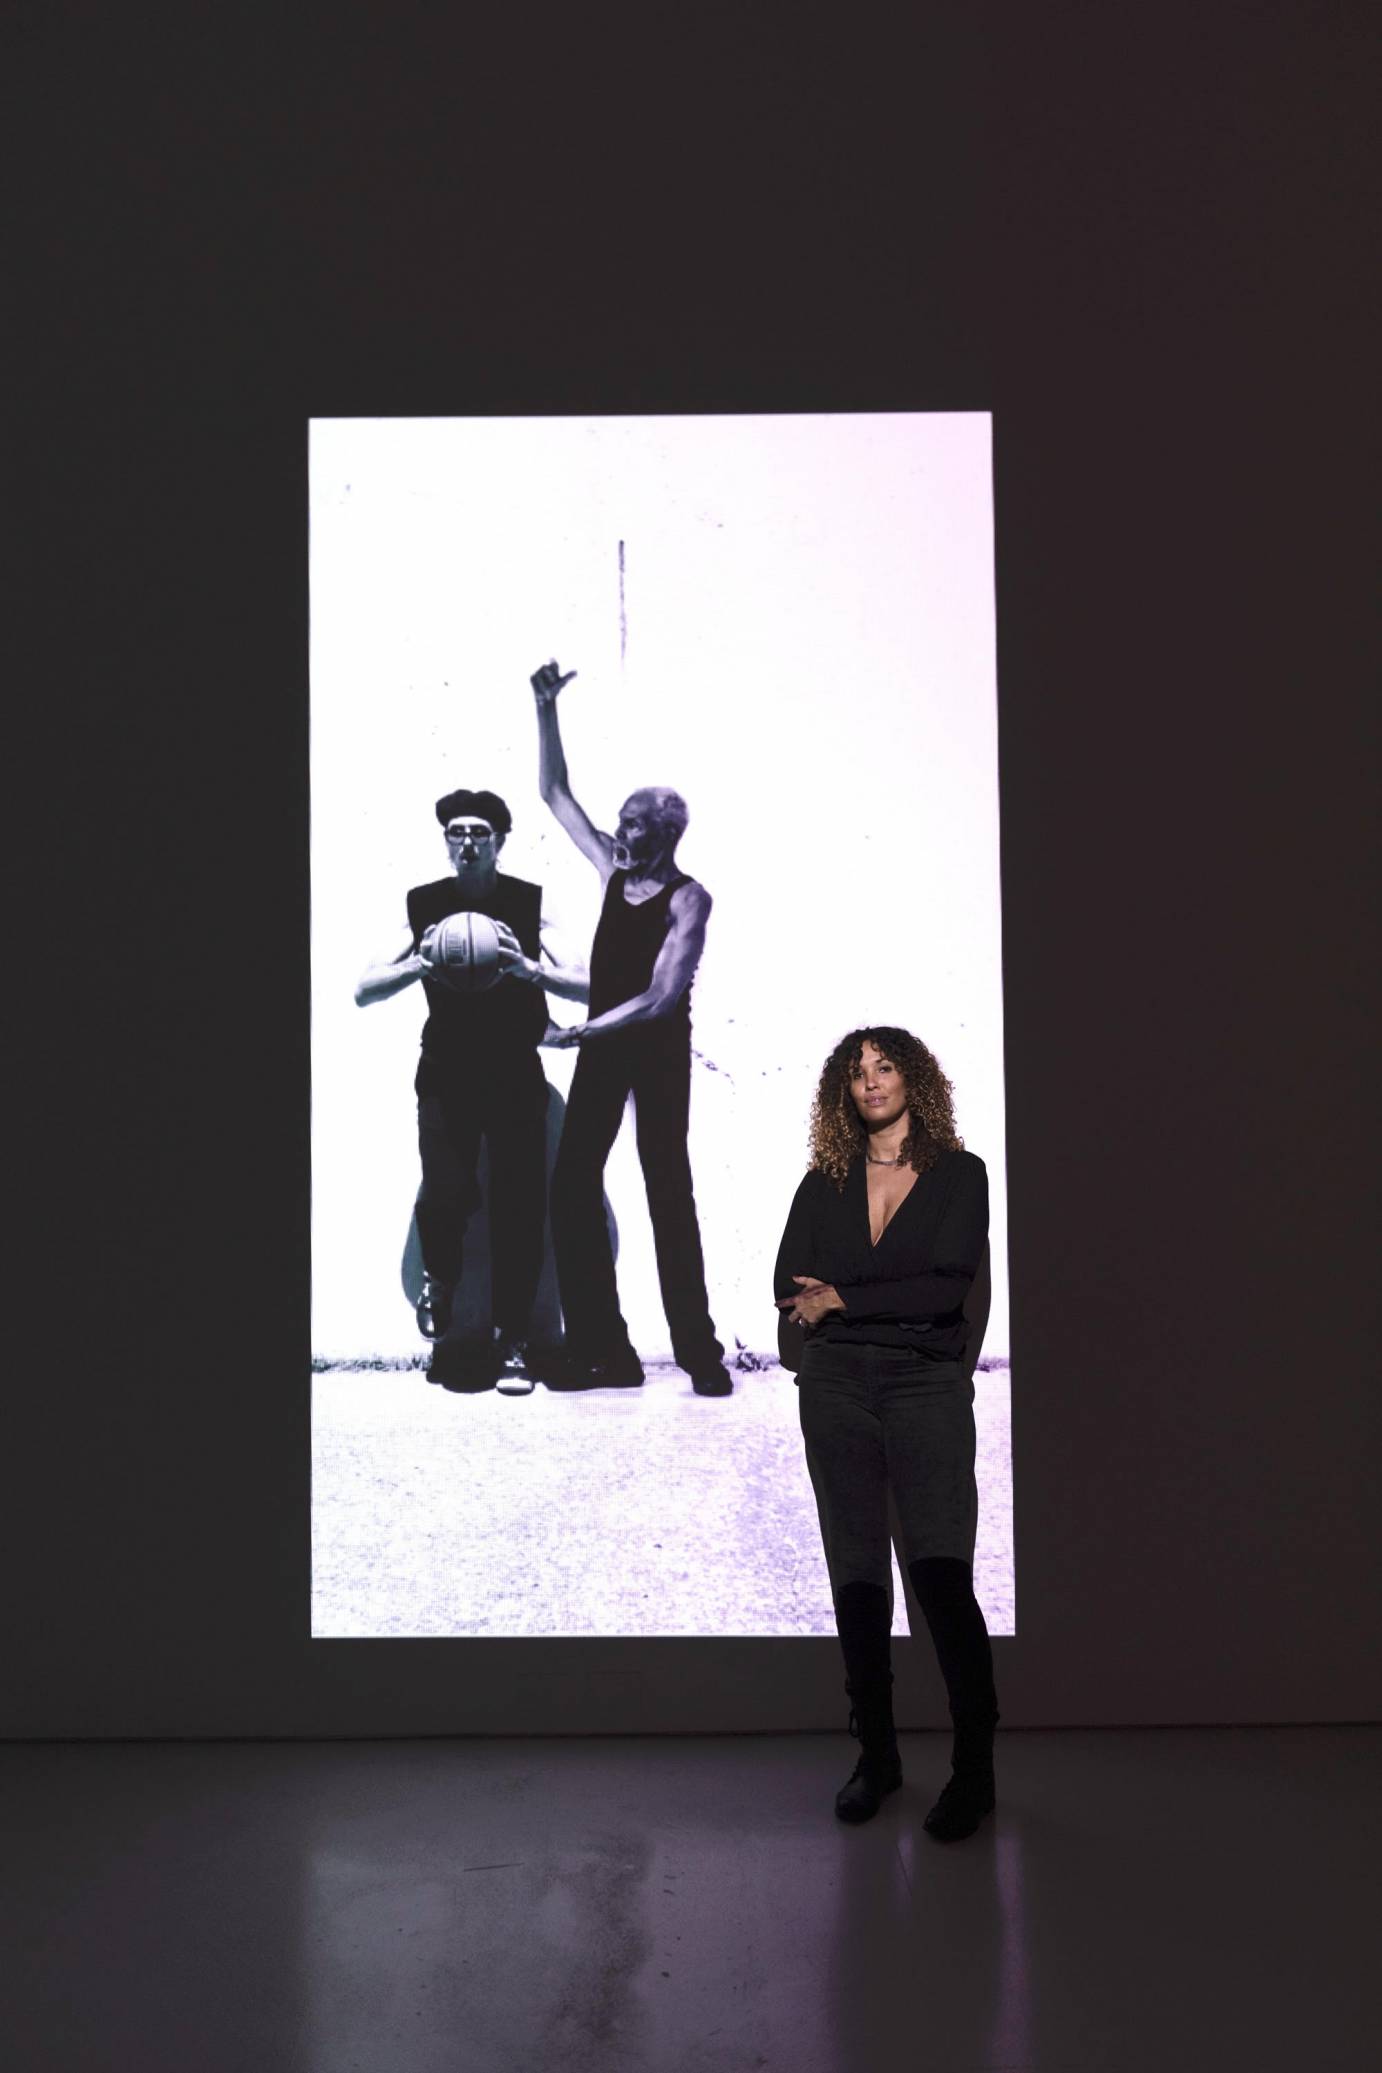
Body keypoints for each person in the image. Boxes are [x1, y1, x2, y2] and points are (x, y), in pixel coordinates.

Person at [774, 1027, 999, 1839]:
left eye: (886, 1065)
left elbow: (945, 1286)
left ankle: (975, 1770)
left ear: (915, 1078)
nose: (871, 1081)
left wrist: (843, 1297)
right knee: (859, 1579)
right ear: (843, 1090)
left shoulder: (960, 1174)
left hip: (924, 1381)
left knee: (940, 1577)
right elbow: (784, 1282)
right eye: (856, 1071)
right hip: (834, 1385)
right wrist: (870, 1297)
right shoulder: (823, 1179)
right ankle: (878, 1757)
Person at [532, 658, 733, 1396]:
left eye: (636, 823)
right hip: (605, 1049)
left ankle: (700, 1353)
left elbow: (657, 998)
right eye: (620, 819)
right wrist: (545, 708)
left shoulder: (689, 900)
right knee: (571, 1185)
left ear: (667, 833)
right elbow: (554, 794)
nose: (619, 830)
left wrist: (580, 1033)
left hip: (653, 1051)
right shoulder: (613, 871)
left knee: (665, 1186)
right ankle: (604, 1351)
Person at [354, 788, 589, 1394]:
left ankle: (512, 1344)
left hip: (513, 1073)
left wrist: (532, 970)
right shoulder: (425, 905)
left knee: (518, 1208)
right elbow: (364, 987)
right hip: (446, 1073)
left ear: (500, 842)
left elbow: (590, 985)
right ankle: (442, 1282)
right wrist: (419, 963)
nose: (467, 841)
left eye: (479, 832)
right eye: (456, 831)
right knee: (445, 1190)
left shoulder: (528, 904)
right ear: (447, 840)